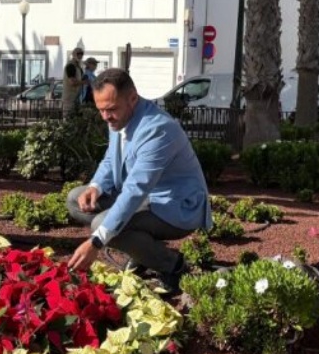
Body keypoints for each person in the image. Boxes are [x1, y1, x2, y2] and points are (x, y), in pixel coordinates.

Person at [67, 67, 212, 295]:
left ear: (132, 98)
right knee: (76, 199)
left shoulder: (158, 129)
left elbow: (135, 190)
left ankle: (172, 265)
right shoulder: (119, 117)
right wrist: (96, 185)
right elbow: (110, 158)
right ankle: (142, 253)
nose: (106, 117)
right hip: (146, 199)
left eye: (111, 109)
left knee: (100, 225)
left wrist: (96, 243)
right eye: (101, 110)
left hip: (176, 207)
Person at [62, 47, 85, 114]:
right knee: (68, 118)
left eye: (81, 54)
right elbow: (72, 82)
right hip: (70, 98)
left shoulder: (78, 66)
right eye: (78, 54)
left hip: (76, 97)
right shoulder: (70, 66)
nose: (80, 56)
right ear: (74, 54)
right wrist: (85, 82)